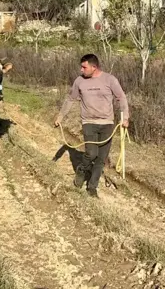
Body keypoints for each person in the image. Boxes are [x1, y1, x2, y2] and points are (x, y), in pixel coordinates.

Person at [54, 54, 129, 198]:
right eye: (81, 67)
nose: (81, 70)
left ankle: (92, 187)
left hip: (107, 124)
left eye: (84, 67)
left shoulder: (109, 80)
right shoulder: (79, 81)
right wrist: (60, 117)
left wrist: (125, 117)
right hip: (89, 122)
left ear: (94, 67)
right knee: (91, 153)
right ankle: (81, 172)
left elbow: (121, 97)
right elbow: (70, 99)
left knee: (101, 157)